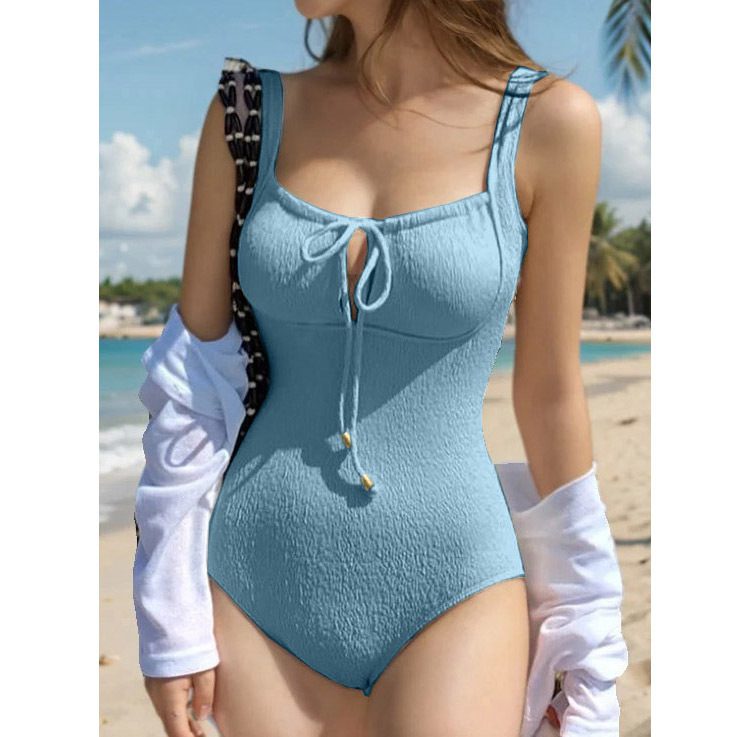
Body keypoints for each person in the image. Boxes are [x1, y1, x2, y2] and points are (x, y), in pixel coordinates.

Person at [135, 2, 626, 736]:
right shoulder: (245, 113)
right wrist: (169, 613)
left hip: (456, 585)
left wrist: (586, 634)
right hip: (251, 581)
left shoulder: (549, 123)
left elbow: (549, 393)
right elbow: (193, 384)